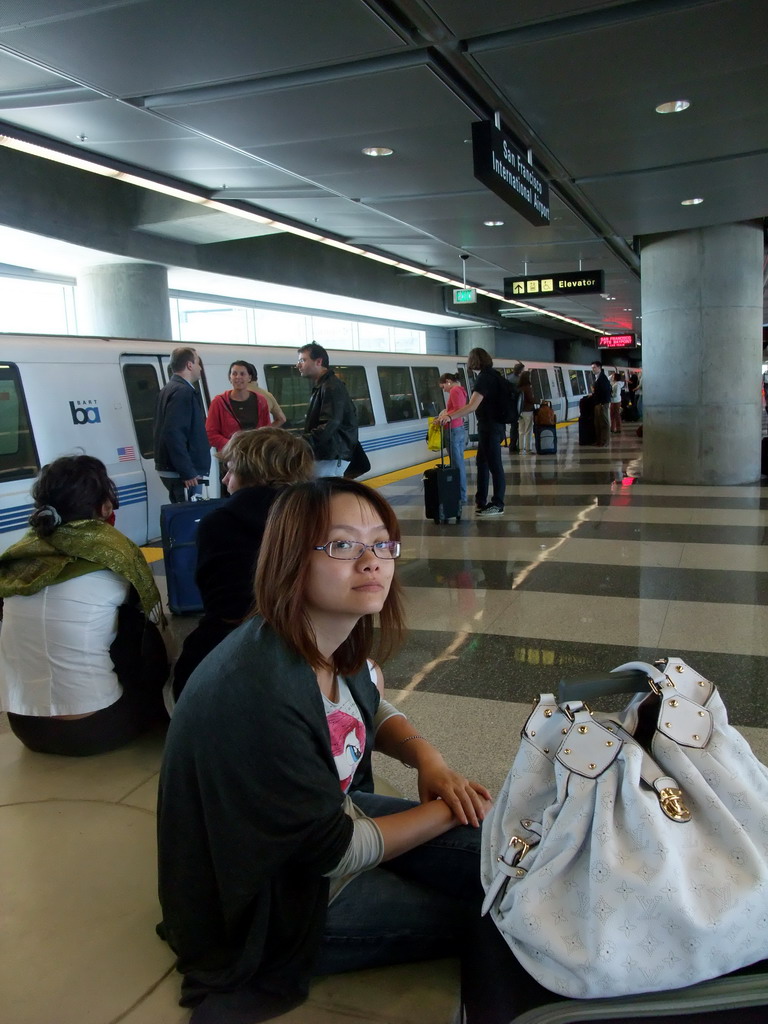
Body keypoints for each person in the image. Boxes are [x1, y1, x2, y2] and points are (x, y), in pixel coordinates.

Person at [157, 478, 492, 1022]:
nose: (372, 562)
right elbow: (336, 854)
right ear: (291, 559)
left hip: (323, 825)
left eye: (382, 543)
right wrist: (442, 810)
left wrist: (428, 761)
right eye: (342, 545)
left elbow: (364, 708)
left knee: (499, 853)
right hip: (275, 901)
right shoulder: (263, 689)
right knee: (491, 909)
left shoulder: (324, 633)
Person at [0, 455, 168, 756]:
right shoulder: (114, 556)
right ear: (104, 507)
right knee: (141, 628)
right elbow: (149, 631)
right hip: (96, 728)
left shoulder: (17, 558)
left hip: (24, 725)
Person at [170, 427, 315, 699]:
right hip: (306, 643)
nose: (225, 480)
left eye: (231, 470)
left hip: (230, 650)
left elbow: (219, 603)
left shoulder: (219, 523)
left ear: (253, 473)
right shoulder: (317, 518)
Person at [436, 347, 506, 516]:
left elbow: (472, 406)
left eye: (470, 359)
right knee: (482, 462)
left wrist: (450, 417)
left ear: (475, 360)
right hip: (491, 427)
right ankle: (481, 500)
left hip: (490, 427)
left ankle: (497, 503)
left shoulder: (484, 378)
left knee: (495, 466)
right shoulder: (493, 375)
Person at [153, 346, 210, 502]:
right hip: (183, 473)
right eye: (198, 363)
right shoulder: (183, 392)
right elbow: (174, 433)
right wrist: (188, 471)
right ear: (189, 365)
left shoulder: (168, 389)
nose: (200, 368)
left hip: (174, 469)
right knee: (189, 517)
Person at [298, 342, 358, 476]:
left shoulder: (330, 387)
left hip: (331, 455)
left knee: (323, 493)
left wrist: (301, 442)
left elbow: (330, 423)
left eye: (303, 360)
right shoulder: (324, 385)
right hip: (329, 454)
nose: (298, 365)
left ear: (318, 361)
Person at [205, 361, 270, 452]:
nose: (238, 377)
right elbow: (210, 434)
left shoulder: (260, 401)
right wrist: (234, 445)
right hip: (231, 457)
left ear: (249, 378)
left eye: (242, 374)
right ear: (230, 378)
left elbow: (267, 430)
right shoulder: (218, 402)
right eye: (234, 374)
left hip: (255, 455)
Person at [438, 372, 468, 503]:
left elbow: (458, 410)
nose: (443, 389)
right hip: (458, 428)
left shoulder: (455, 391)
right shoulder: (461, 390)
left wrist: (444, 417)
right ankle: (461, 494)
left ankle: (461, 495)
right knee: (458, 463)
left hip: (453, 429)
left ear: (448, 381)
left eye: (443, 386)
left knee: (457, 465)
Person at [591, 360, 612, 446]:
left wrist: (603, 403)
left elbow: (606, 391)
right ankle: (599, 441)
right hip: (598, 403)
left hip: (602, 404)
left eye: (594, 367)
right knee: (598, 423)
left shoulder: (603, 378)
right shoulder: (598, 378)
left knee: (604, 423)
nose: (593, 369)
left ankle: (605, 441)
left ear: (599, 368)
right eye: (592, 368)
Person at [517, 370, 535, 455]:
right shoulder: (528, 388)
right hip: (528, 411)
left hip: (520, 412)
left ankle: (521, 449)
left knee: (521, 430)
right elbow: (531, 400)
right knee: (528, 430)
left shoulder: (519, 387)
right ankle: (528, 449)